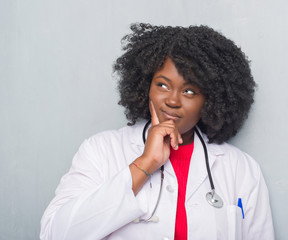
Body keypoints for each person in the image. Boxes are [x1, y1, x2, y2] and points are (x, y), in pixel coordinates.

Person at [40, 23, 274, 240]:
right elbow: (54, 233)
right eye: (162, 85)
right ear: (145, 86)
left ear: (210, 100)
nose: (172, 100)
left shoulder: (241, 169)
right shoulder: (101, 151)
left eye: (190, 91)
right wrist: (145, 164)